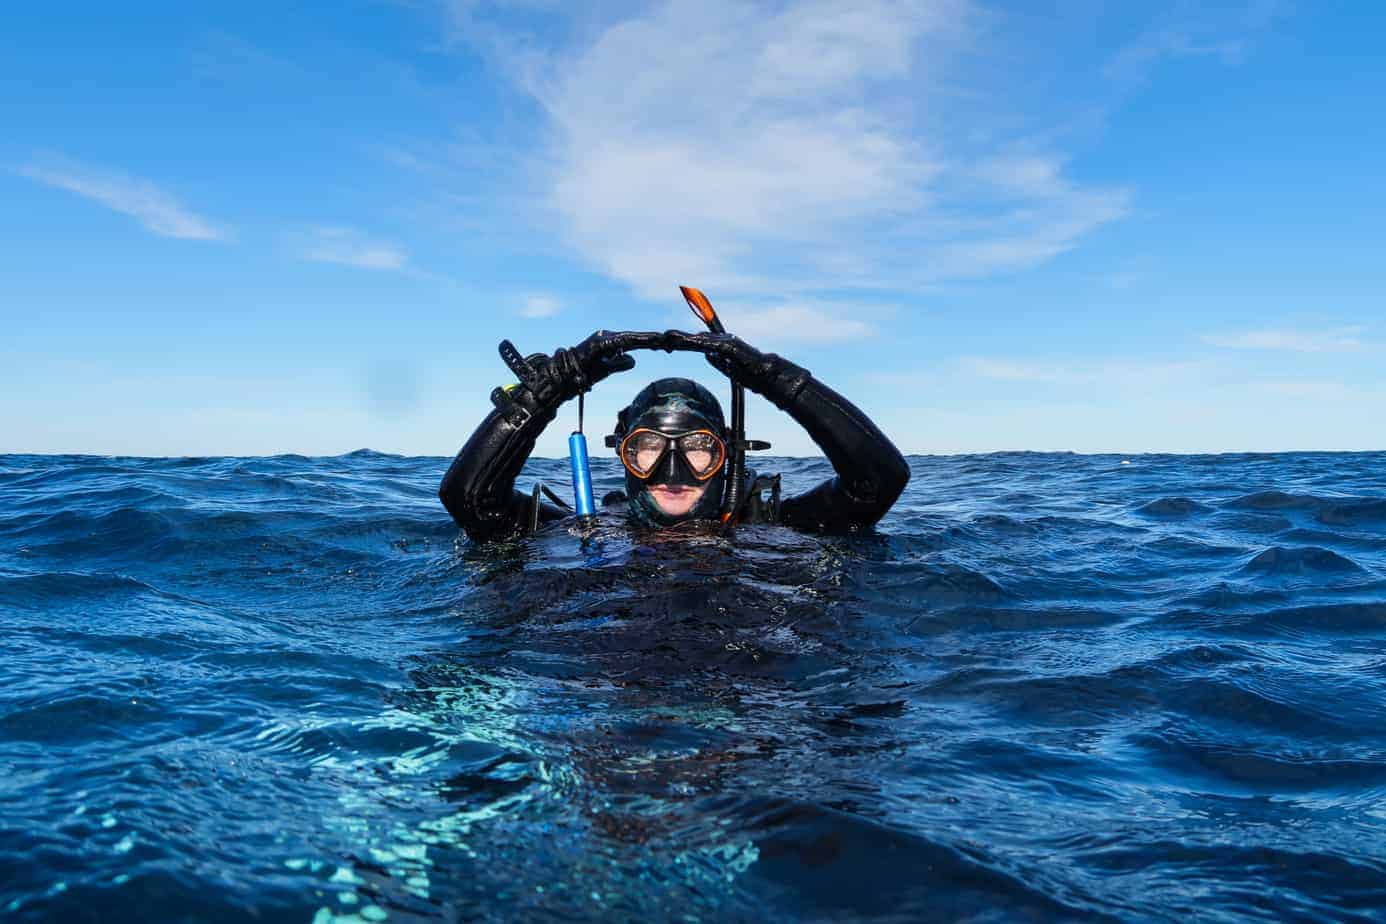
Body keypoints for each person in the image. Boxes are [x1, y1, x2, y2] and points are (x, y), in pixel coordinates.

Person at [440, 329, 909, 541]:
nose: (672, 472)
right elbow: (471, 502)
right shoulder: (585, 532)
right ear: (623, 454)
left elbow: (878, 481)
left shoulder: (778, 530)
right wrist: (544, 392)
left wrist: (773, 377)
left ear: (729, 454)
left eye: (699, 449)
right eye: (647, 448)